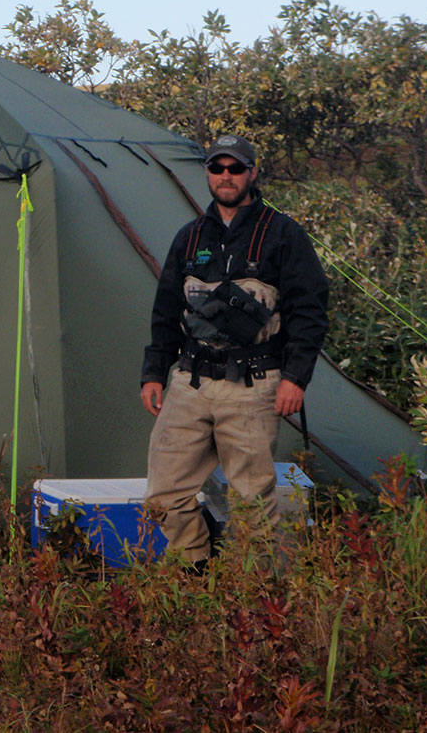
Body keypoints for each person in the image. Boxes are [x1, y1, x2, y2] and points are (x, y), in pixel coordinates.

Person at [139, 134, 328, 569]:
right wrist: (154, 372)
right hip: (190, 382)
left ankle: (260, 593)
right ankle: (197, 573)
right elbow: (166, 309)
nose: (226, 176)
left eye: (236, 168)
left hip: (255, 384)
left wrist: (295, 378)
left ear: (252, 173)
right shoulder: (189, 237)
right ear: (207, 173)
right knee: (163, 495)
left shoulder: (283, 234)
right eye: (217, 168)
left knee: (252, 501)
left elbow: (310, 312)